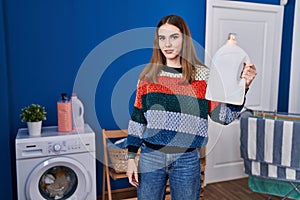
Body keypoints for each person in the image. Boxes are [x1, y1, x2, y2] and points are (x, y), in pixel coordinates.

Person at [125, 14, 257, 200]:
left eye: (174, 37)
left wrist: (245, 87)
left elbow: (223, 117)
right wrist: (131, 157)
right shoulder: (147, 77)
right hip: (150, 157)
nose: (167, 44)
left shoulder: (203, 77)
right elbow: (137, 120)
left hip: (186, 159)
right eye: (162, 38)